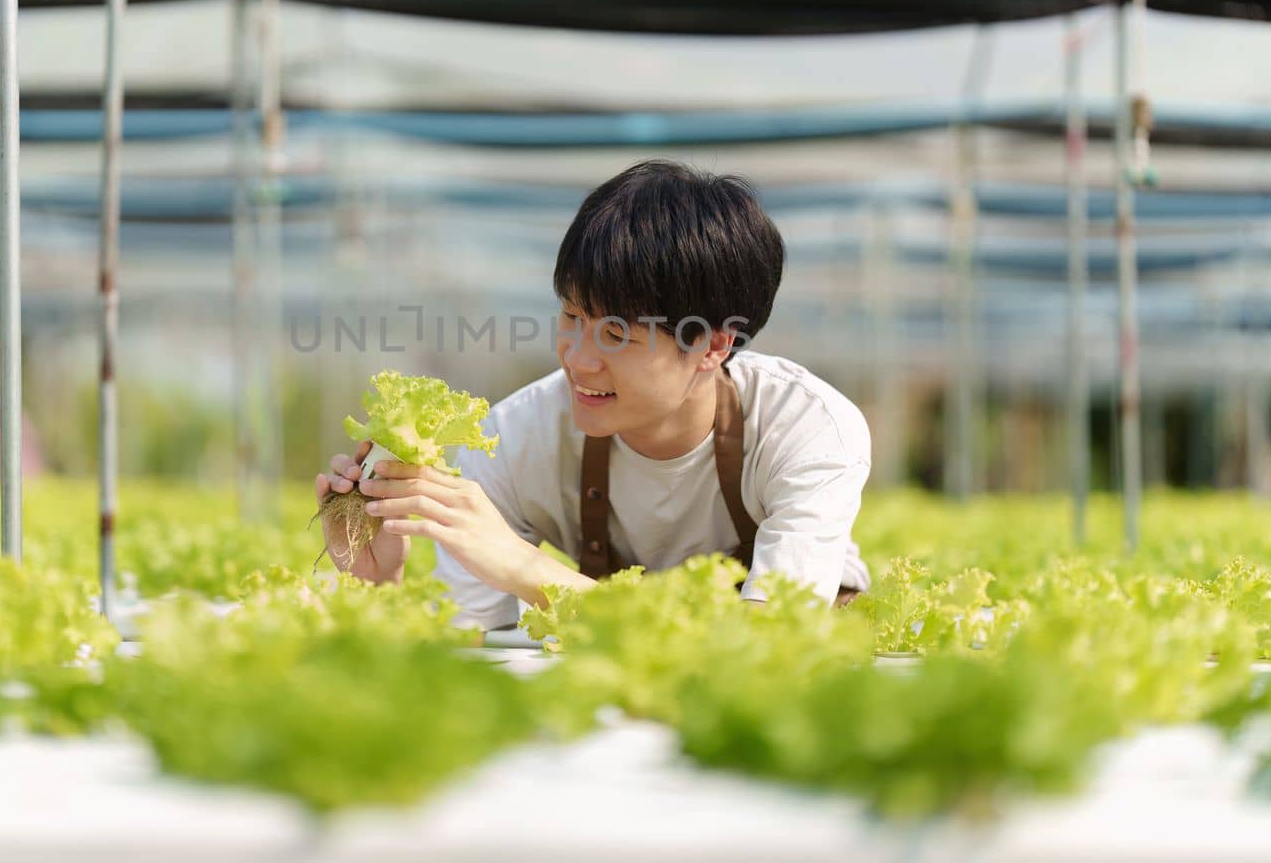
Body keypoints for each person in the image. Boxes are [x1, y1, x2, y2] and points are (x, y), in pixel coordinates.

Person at [316, 159, 871, 631]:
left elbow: (769, 644)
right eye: (572, 316)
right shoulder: (511, 440)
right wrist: (380, 585)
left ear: (713, 346)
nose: (578, 359)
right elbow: (466, 647)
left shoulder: (808, 429)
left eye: (616, 335)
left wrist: (527, 570)